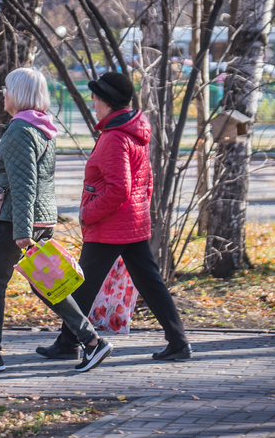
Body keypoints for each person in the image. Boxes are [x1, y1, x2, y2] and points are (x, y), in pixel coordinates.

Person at [0, 68, 113, 374]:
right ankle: (92, 342)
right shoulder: (43, 127)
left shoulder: (19, 130)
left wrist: (22, 231)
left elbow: (25, 183)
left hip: (18, 221)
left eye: (6, 89)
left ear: (18, 93)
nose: (3, 94)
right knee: (47, 283)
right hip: (36, 218)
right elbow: (22, 179)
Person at [36, 72, 192, 362]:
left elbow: (119, 188)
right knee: (149, 282)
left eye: (95, 98)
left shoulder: (115, 137)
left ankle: (69, 343)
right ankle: (178, 342)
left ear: (107, 102)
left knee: (81, 285)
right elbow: (146, 181)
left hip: (110, 224)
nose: (93, 103)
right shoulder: (134, 130)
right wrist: (140, 210)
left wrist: (87, 213)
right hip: (132, 221)